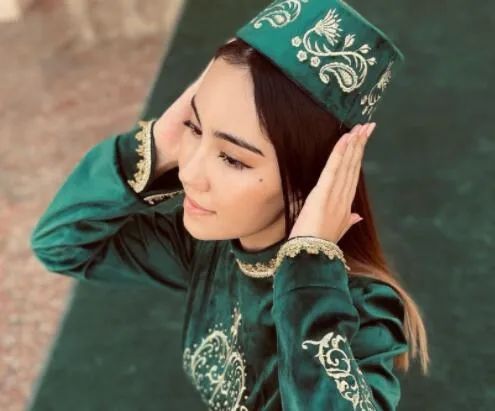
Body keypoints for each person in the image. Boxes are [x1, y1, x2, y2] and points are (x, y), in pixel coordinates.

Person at [31, 0, 430, 409]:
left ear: (311, 181)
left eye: (233, 158)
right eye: (194, 128)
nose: (189, 173)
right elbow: (61, 245)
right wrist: (154, 149)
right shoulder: (209, 249)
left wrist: (307, 268)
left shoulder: (362, 310)